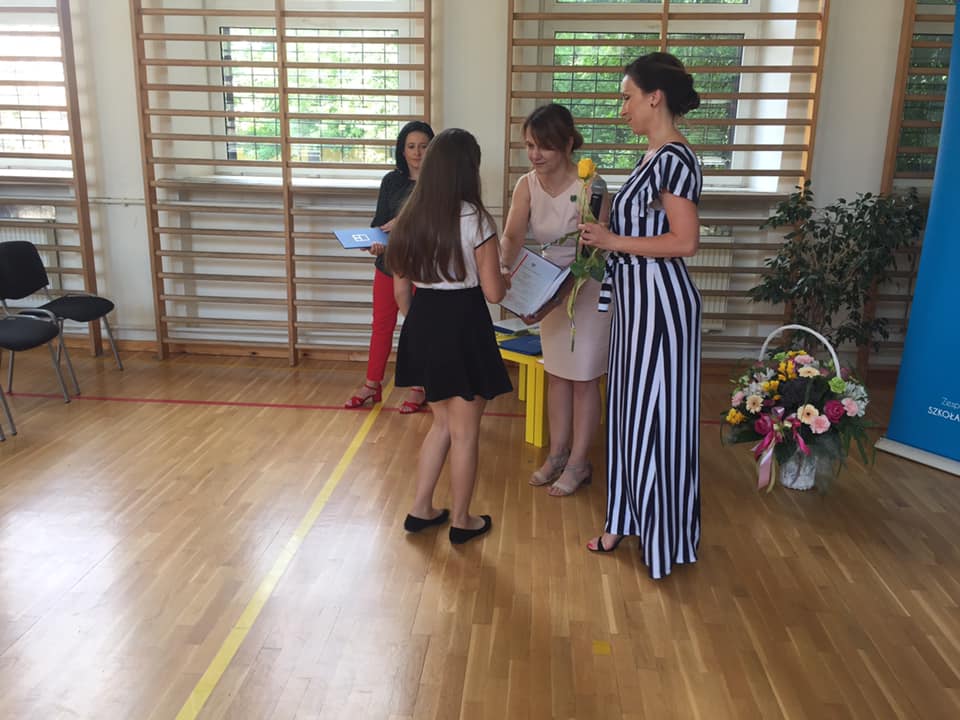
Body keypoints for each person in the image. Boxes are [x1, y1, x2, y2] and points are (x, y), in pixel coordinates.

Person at [578, 52, 703, 579]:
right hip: (637, 304)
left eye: (627, 97)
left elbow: (685, 241)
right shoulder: (651, 157)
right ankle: (623, 520)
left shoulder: (675, 158)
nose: (622, 107)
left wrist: (612, 240)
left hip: (660, 305)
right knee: (629, 414)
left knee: (656, 420)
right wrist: (601, 228)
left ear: (655, 97)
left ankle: (661, 536)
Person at [386, 128, 512, 545]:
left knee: (441, 424)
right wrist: (505, 278)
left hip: (424, 320)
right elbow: (493, 293)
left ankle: (421, 508)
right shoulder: (475, 219)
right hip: (464, 323)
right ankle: (461, 519)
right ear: (467, 170)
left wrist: (423, 325)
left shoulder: (409, 217)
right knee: (465, 432)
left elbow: (400, 291)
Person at [499, 103, 611, 496]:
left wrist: (554, 296)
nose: (535, 154)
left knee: (584, 378)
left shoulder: (592, 186)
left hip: (587, 286)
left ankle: (580, 462)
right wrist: (504, 271)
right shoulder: (526, 184)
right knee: (557, 374)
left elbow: (591, 253)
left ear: (566, 144)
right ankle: (558, 453)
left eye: (544, 146)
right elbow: (513, 236)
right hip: (549, 284)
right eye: (529, 145)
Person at [344, 120, 435, 413]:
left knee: (418, 327)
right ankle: (372, 384)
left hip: (423, 269)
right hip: (388, 265)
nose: (417, 152)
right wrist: (375, 241)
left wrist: (403, 223)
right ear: (402, 150)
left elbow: (435, 228)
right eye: (411, 146)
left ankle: (420, 387)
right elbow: (379, 223)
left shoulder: (438, 184)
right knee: (381, 326)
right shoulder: (391, 181)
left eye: (424, 146)